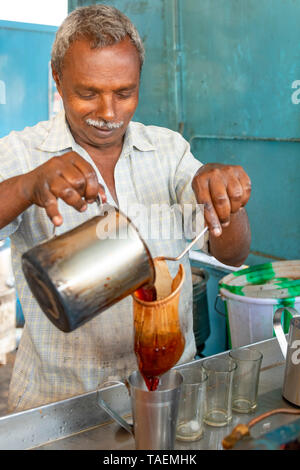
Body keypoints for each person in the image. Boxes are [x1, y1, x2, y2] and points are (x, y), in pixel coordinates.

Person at [0, 5, 251, 412]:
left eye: (124, 92)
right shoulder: (23, 152)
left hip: (166, 393)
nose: (108, 113)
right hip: (60, 403)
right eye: (88, 93)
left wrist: (229, 201)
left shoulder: (168, 151)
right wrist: (29, 186)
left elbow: (233, 253)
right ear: (57, 77)